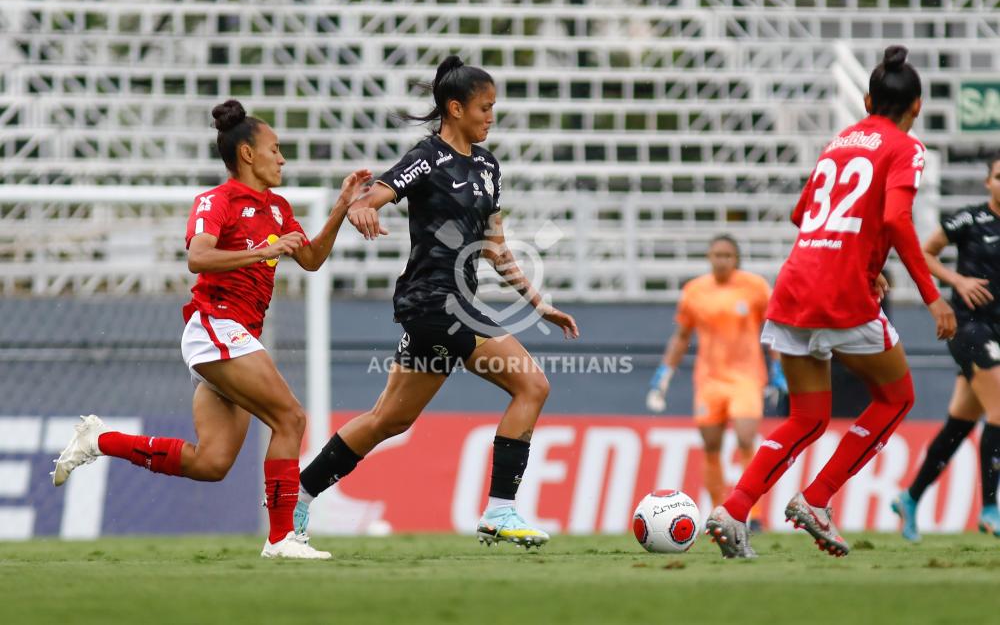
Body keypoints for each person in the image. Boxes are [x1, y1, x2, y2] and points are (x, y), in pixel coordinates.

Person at [51, 100, 370, 560]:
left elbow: (312, 260)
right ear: (247, 154)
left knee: (211, 463)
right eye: (275, 149)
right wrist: (263, 250)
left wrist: (341, 206)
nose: (282, 159)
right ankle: (282, 539)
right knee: (291, 418)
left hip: (237, 335)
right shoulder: (216, 202)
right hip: (215, 326)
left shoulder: (278, 209)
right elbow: (198, 257)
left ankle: (98, 440)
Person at [293, 56, 579, 548]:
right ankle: (501, 510)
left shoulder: (488, 167)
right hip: (435, 303)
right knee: (532, 385)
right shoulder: (427, 157)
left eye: (494, 108)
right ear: (455, 108)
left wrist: (538, 304)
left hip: (450, 305)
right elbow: (376, 194)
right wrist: (361, 208)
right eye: (484, 108)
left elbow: (495, 248)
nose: (491, 116)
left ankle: (296, 495)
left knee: (390, 419)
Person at [704, 45, 956, 559]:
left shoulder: (839, 141)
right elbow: (894, 220)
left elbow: (803, 214)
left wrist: (865, 264)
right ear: (918, 106)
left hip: (795, 284)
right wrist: (934, 298)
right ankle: (816, 499)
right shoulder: (906, 148)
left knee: (807, 416)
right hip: (841, 294)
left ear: (866, 99)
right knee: (896, 398)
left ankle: (733, 511)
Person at [892, 153, 1000, 541]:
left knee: (960, 424)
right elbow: (924, 252)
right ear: (988, 182)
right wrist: (958, 280)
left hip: (998, 333)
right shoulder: (969, 219)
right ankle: (990, 508)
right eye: (999, 177)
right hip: (968, 327)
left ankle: (910, 497)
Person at [646, 235, 786, 531]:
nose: (721, 260)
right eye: (716, 254)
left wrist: (778, 366)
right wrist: (665, 373)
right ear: (709, 257)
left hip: (747, 376)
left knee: (746, 438)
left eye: (727, 255)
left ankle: (754, 513)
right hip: (709, 379)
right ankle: (718, 511)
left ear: (736, 259)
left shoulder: (755, 287)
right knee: (711, 445)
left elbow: (772, 327)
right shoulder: (694, 291)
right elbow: (682, 336)